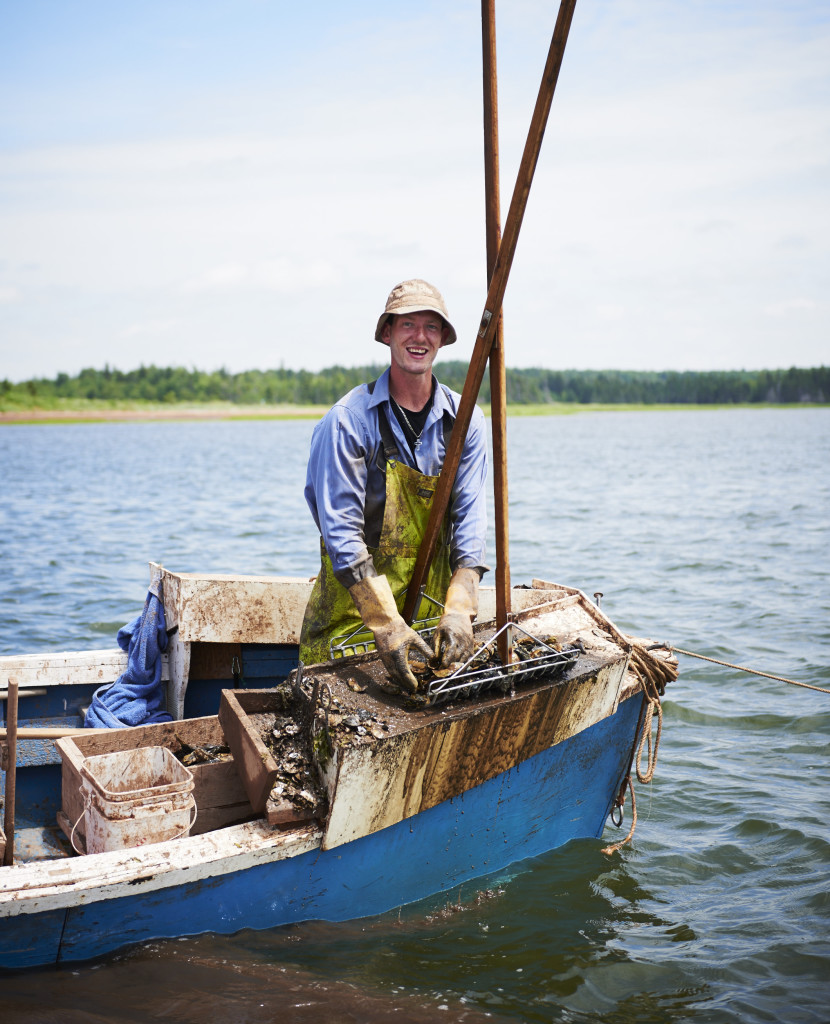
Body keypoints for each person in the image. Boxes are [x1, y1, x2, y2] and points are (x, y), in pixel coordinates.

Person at [300, 279, 488, 693]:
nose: (419, 337)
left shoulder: (465, 422)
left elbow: (471, 523)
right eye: (407, 325)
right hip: (349, 627)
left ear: (442, 339)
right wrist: (385, 624)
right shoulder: (348, 421)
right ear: (387, 333)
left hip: (428, 627)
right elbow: (342, 536)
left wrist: (459, 609)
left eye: (431, 327)